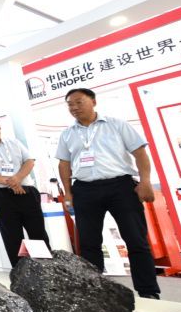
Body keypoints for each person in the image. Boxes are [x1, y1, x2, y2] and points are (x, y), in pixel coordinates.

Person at [56, 88, 161, 299]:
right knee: (88, 243)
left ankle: (148, 291)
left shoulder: (117, 125)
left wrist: (145, 181)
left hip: (120, 187)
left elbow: (140, 153)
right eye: (70, 104)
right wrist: (68, 193)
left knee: (136, 240)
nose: (74, 107)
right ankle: (95, 293)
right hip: (84, 189)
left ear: (93, 101)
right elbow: (64, 164)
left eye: (79, 102)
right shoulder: (67, 134)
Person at [0, 116, 50, 267]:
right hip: (2, 196)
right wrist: (11, 183)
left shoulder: (14, 142)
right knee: (12, 236)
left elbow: (29, 161)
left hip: (26, 192)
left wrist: (17, 178)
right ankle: (20, 272)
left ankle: (46, 269)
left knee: (37, 233)